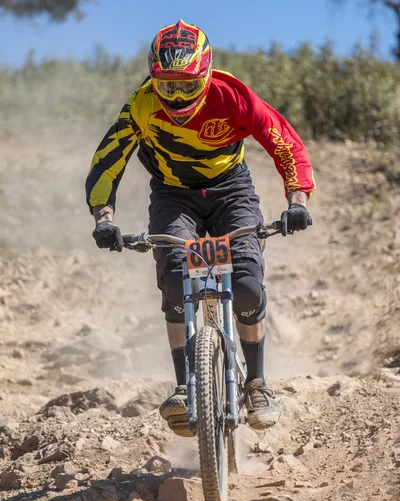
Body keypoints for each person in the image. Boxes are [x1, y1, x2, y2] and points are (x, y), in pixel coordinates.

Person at [86, 19, 315, 437]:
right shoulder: (142, 104)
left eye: (187, 87)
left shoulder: (234, 97)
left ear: (206, 74)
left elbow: (285, 143)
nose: (176, 97)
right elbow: (108, 160)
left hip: (231, 189)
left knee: (245, 282)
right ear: (153, 78)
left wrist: (296, 201)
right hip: (174, 194)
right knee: (175, 277)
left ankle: (258, 383)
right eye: (167, 86)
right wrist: (105, 218)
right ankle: (182, 387)